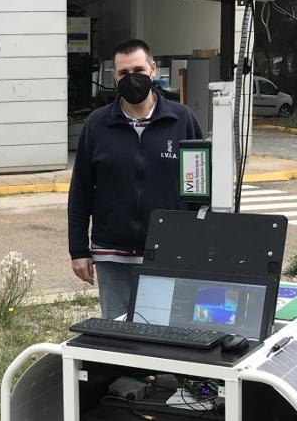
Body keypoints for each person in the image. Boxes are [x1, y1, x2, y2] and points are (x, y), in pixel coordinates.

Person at [67, 38, 204, 320]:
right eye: (124, 74)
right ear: (114, 77)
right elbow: (80, 191)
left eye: (139, 70)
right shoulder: (97, 125)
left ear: (153, 70)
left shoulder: (183, 120)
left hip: (169, 255)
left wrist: (199, 245)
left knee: (167, 335)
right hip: (112, 257)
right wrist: (78, 250)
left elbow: (200, 192)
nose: (133, 79)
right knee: (120, 342)